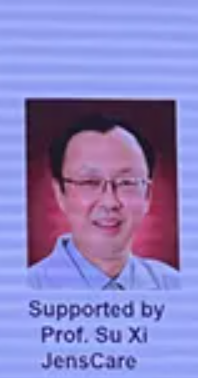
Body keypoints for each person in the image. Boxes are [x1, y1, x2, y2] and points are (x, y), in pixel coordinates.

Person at [28, 115, 181, 290]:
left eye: (126, 182)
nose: (110, 202)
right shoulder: (27, 288)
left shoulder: (174, 285)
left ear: (147, 194)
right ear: (59, 193)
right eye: (90, 182)